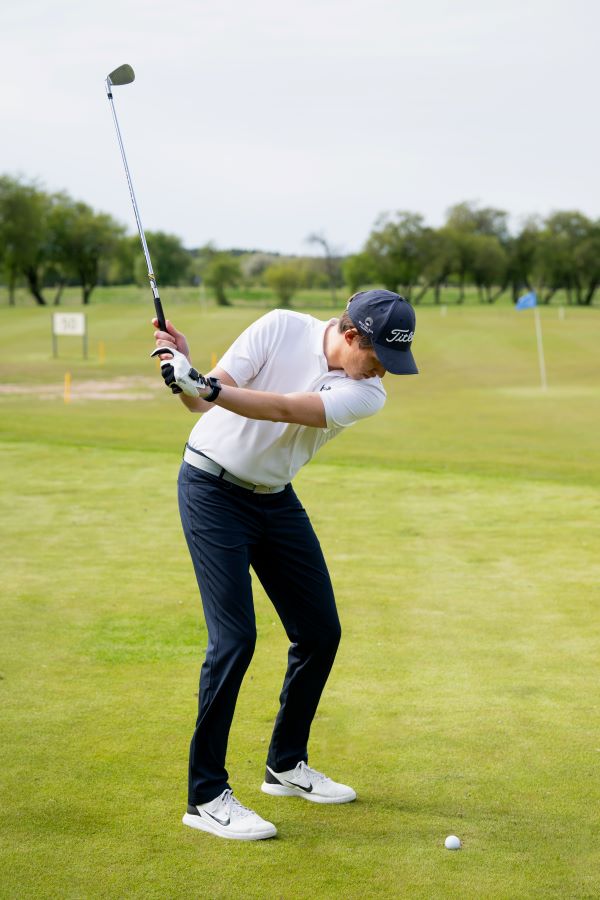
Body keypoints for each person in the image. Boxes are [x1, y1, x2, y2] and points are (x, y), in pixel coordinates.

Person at [152, 288, 418, 841]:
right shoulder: (278, 327)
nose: (383, 374)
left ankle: (285, 765)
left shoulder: (365, 394)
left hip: (274, 497)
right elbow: (200, 403)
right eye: (378, 359)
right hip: (210, 487)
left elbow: (281, 407)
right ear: (350, 337)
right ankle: (204, 796)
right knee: (235, 640)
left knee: (320, 631)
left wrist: (204, 382)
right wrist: (185, 375)